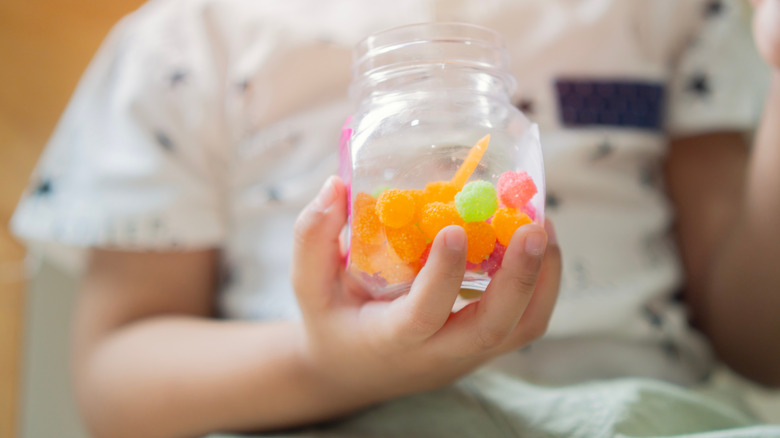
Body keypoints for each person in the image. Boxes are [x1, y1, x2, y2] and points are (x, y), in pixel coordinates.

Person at [11, 0, 780, 437]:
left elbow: (760, 341)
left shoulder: (667, 12)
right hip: (320, 420)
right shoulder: (188, 38)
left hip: (640, 416)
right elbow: (117, 389)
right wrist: (324, 363)